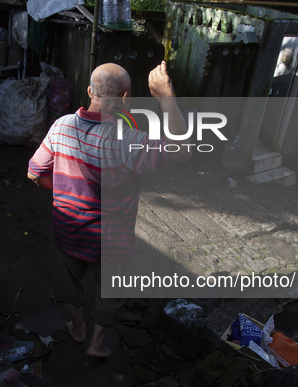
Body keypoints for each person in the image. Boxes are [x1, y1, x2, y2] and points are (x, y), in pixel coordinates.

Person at [27, 61, 190, 358]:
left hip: (67, 229)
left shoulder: (61, 126)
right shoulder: (126, 140)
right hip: (112, 238)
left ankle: (77, 329)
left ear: (90, 91)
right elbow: (180, 148)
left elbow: (35, 172)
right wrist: (166, 96)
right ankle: (96, 343)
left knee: (69, 284)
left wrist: (63, 189)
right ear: (125, 98)